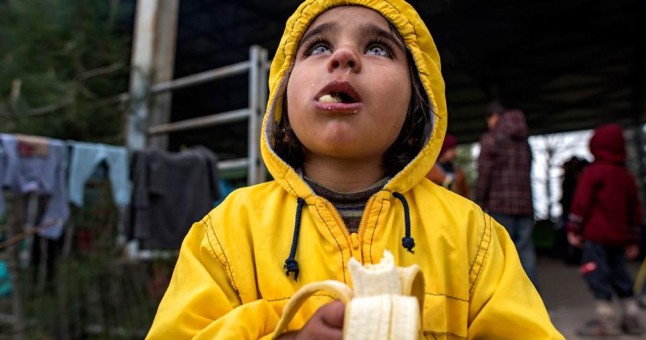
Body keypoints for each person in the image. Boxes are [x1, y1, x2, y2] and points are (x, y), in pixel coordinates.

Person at [146, 1, 562, 338]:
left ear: (418, 103)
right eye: (318, 48)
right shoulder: (225, 233)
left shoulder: (475, 237)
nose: (344, 56)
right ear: (282, 97)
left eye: (378, 48)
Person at [567, 123, 644, 336]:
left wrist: (573, 228)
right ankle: (631, 316)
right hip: (619, 238)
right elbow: (634, 210)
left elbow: (581, 203)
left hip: (596, 237)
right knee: (621, 275)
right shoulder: (625, 176)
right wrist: (633, 240)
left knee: (596, 274)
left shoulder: (593, 172)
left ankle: (606, 320)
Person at [476, 100, 537, 285]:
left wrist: (480, 201)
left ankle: (510, 299)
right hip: (524, 205)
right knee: (525, 250)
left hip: (500, 204)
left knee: (503, 252)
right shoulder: (524, 142)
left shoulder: (491, 139)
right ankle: (531, 296)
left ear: (494, 117)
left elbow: (484, 173)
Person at [426, 133, 471, 198]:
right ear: (443, 149)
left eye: (455, 148)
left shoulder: (458, 171)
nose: (454, 152)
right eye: (451, 149)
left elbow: (466, 193)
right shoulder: (430, 171)